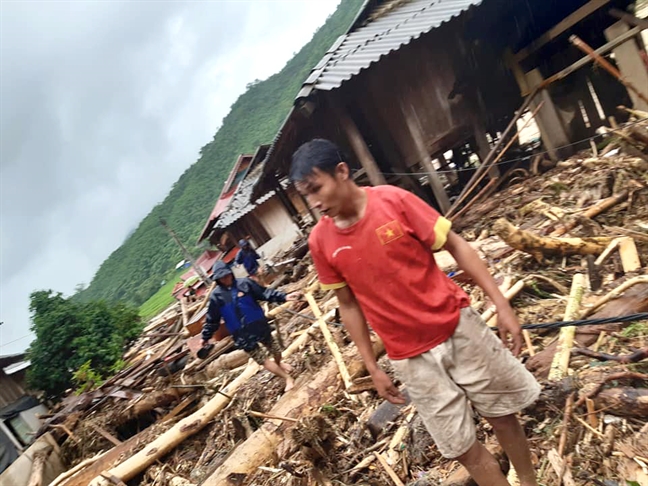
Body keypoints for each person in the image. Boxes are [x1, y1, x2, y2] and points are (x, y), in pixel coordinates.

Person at [290, 139, 541, 486]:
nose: (315, 203)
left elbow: (456, 245)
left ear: (342, 172)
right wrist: (372, 365)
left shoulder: (393, 201)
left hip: (457, 327)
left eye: (317, 188)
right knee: (462, 447)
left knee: (501, 415)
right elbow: (347, 305)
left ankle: (528, 480)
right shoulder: (321, 242)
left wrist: (501, 303)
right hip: (410, 358)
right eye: (307, 195)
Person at [201, 260, 301, 391]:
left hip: (259, 326)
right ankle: (287, 378)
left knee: (276, 351)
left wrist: (285, 297)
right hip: (242, 334)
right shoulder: (216, 297)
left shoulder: (245, 283)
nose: (226, 279)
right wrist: (205, 336)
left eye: (227, 275)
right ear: (218, 279)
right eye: (222, 278)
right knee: (263, 360)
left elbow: (265, 293)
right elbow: (212, 319)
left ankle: (279, 363)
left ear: (231, 273)